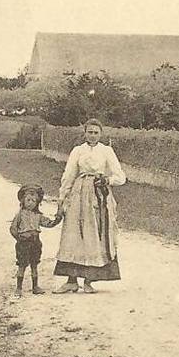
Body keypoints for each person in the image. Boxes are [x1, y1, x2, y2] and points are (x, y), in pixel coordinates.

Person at [53, 118, 126, 294]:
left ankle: (88, 281)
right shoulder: (78, 151)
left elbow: (120, 176)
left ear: (101, 134)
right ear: (84, 133)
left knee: (95, 236)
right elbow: (69, 174)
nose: (92, 136)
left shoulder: (107, 151)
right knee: (74, 234)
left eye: (96, 132)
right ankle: (71, 281)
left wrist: (107, 180)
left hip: (99, 195)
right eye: (89, 132)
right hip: (79, 194)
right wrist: (63, 198)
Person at [10, 184, 62, 296]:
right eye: (28, 200)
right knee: (22, 265)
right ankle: (19, 288)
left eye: (34, 201)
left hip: (35, 243)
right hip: (23, 243)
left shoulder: (39, 216)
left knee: (34, 264)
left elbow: (49, 223)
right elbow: (13, 229)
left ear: (37, 202)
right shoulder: (19, 215)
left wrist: (58, 217)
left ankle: (35, 286)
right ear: (23, 201)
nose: (30, 203)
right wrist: (19, 239)